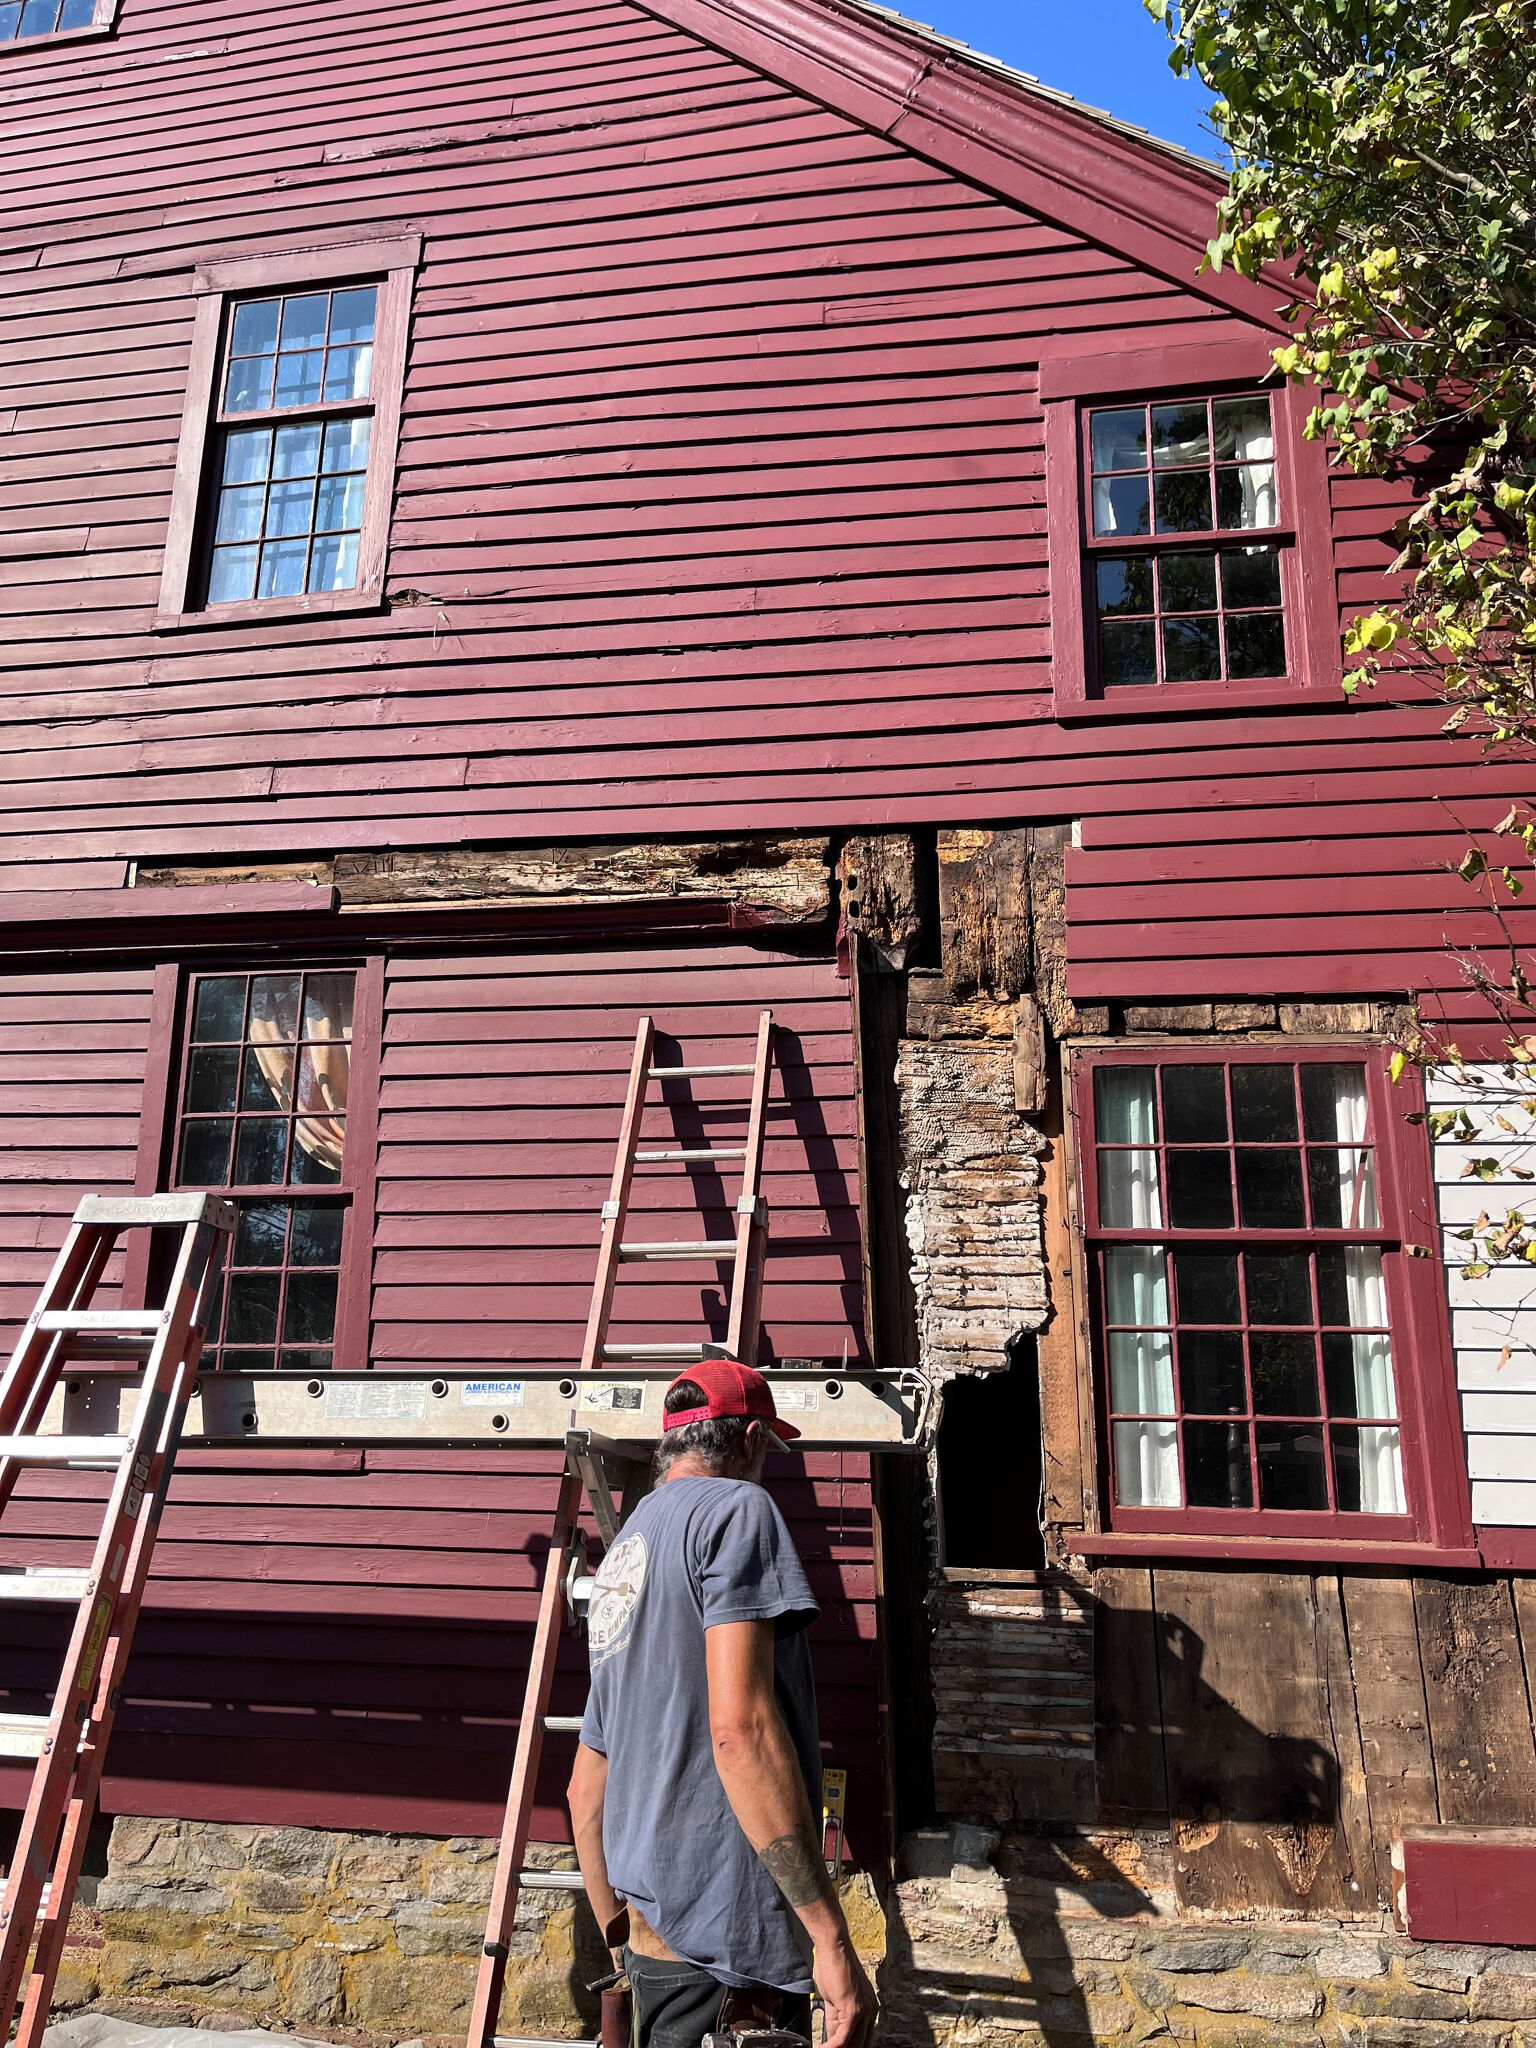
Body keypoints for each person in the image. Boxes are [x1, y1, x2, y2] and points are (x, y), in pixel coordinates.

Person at [567, 1358, 878, 2048]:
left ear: (667, 1445)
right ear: (750, 1440)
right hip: (730, 1943)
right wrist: (828, 1940)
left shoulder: (627, 1548)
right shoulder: (739, 1511)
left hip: (655, 1933)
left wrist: (617, 1931)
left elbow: (586, 1781)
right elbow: (740, 1731)